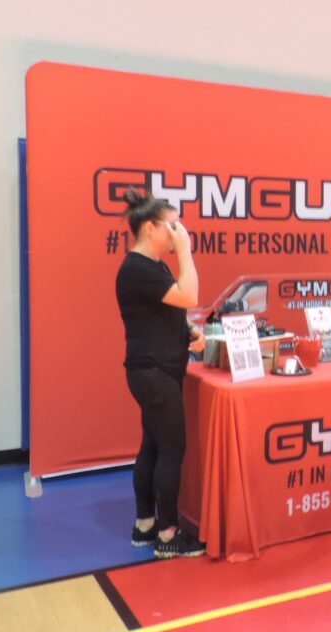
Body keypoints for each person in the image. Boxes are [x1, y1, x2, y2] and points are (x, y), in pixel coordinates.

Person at [115, 189, 206, 559]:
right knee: (172, 449)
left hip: (155, 369)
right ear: (150, 228)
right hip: (153, 372)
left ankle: (145, 524)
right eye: (172, 226)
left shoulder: (152, 268)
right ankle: (168, 534)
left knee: (153, 445)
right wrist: (186, 252)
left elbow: (170, 308)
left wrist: (190, 331)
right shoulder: (137, 268)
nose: (178, 232)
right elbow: (189, 296)